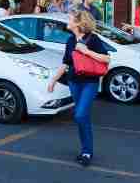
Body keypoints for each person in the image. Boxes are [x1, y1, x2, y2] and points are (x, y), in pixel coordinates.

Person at [47, 11, 109, 167]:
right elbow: (66, 62)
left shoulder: (92, 39)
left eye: (70, 19)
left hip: (90, 82)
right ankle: (86, 151)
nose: (67, 21)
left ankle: (87, 150)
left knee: (80, 115)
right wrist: (54, 80)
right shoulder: (69, 40)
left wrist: (86, 51)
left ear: (78, 23)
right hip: (74, 82)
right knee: (83, 117)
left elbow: (107, 58)